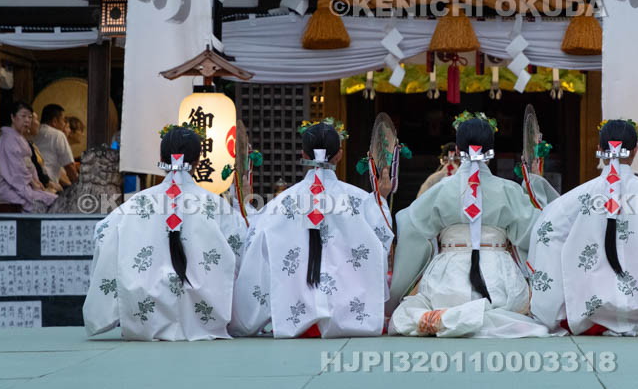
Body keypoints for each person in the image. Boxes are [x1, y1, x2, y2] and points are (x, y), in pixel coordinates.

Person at [388, 112, 549, 338]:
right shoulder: (508, 190)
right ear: (490, 147)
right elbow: (534, 232)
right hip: (498, 280)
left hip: (447, 279)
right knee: (507, 306)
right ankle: (479, 316)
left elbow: (410, 224)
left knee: (421, 305)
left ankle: (444, 318)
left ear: (459, 146)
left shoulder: (440, 189)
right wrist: (537, 192)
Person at [230, 120, 393, 338]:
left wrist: (245, 208)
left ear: (304, 155)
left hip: (294, 324)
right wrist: (381, 201)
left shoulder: (280, 204)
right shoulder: (362, 202)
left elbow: (254, 244)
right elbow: (382, 243)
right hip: (350, 322)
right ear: (339, 155)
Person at [83, 126, 247, 340]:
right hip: (205, 322)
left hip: (146, 322)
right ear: (198, 161)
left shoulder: (133, 206)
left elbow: (103, 233)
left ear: (161, 157)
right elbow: (241, 253)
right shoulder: (219, 207)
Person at [528, 119, 638, 335]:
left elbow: (545, 233)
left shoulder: (576, 198)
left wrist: (555, 298)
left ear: (600, 149)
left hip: (588, 312)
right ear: (636, 149)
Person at [0, 101, 58, 212]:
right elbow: (16, 170)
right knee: (49, 201)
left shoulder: (20, 139)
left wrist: (36, 182)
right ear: (13, 118)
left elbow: (29, 166)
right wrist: (32, 183)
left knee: (54, 199)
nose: (27, 120)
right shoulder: (8, 140)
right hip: (11, 187)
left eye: (30, 117)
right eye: (23, 116)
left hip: (25, 184)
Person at [35, 104, 78, 187]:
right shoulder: (58, 135)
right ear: (54, 121)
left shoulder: (34, 133)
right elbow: (69, 167)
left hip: (34, 183)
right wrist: (79, 186)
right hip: (48, 185)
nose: (64, 124)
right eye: (63, 121)